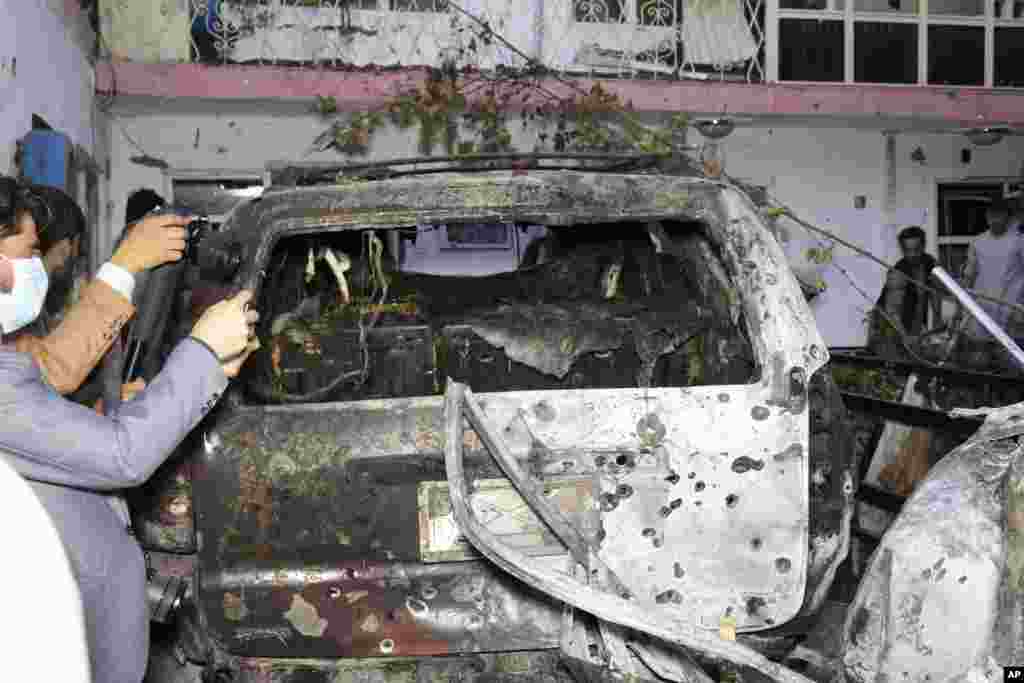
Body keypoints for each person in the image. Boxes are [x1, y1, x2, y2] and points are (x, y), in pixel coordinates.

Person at [0, 179, 260, 683]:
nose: (38, 267)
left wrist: (111, 414)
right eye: (28, 250)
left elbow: (39, 427)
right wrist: (203, 352)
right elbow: (122, 454)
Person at [954, 198, 1020, 369]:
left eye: (1000, 215)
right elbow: (969, 277)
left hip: (1011, 309)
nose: (995, 219)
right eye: (991, 215)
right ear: (986, 217)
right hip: (982, 310)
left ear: (1008, 217)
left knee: (1010, 363)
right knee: (980, 360)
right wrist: (960, 309)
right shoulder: (978, 242)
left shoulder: (1019, 241)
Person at [869, 226, 943, 357]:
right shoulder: (898, 273)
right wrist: (905, 336)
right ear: (902, 250)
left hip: (913, 322)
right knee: (895, 364)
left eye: (916, 249)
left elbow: (935, 291)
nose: (912, 254)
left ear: (923, 246)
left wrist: (937, 319)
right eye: (908, 250)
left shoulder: (930, 263)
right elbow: (892, 312)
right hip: (887, 324)